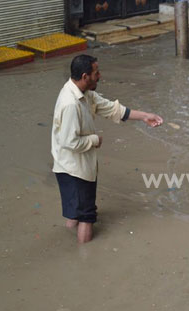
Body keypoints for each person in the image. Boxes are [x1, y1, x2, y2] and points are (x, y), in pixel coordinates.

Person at [51, 54, 164, 243]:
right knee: (87, 216)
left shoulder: (84, 94)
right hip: (76, 169)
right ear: (86, 76)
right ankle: (85, 257)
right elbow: (69, 142)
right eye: (96, 72)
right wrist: (94, 140)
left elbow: (112, 109)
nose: (100, 75)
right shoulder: (71, 104)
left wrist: (144, 116)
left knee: (74, 213)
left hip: (67, 166)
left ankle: (69, 248)